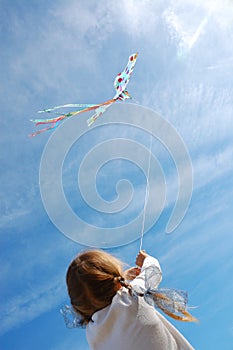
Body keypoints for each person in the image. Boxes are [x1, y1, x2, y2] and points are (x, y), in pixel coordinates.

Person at [66, 249, 196, 350]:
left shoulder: (92, 334)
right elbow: (153, 271)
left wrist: (124, 279)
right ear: (117, 283)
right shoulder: (131, 298)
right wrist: (147, 259)